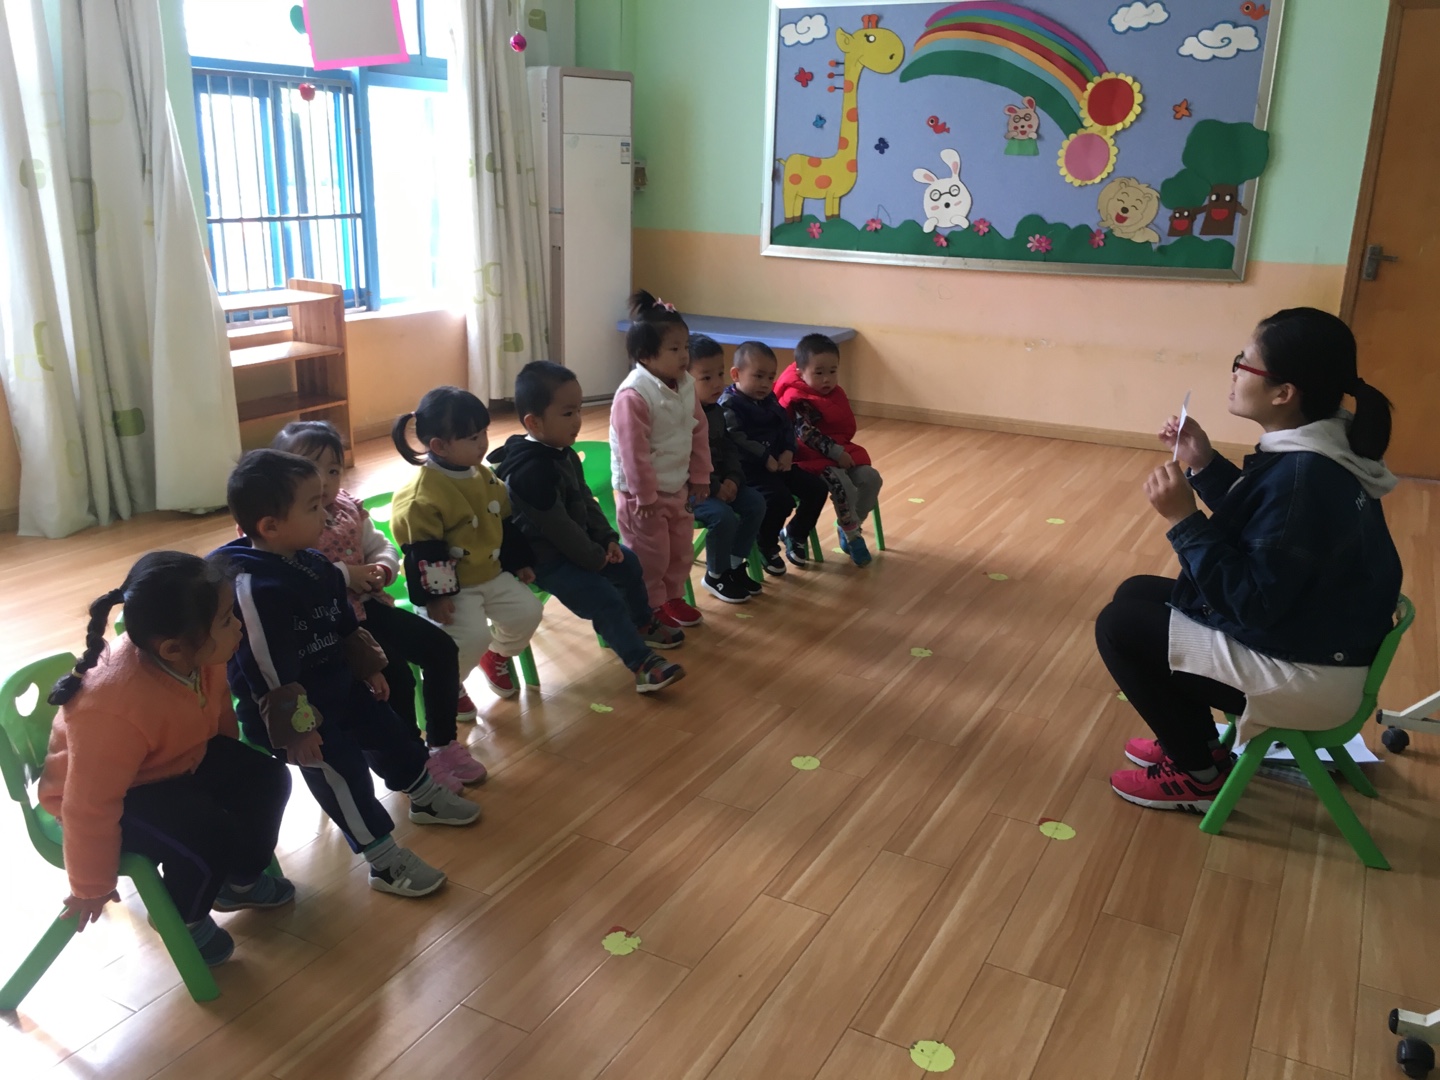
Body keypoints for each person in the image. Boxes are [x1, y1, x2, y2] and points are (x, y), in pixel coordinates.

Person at [1095, 307, 1403, 812]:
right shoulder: (1323, 448)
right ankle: (1196, 745)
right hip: (1321, 640)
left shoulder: (1303, 477)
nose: (1235, 372)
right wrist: (1204, 463)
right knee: (1138, 593)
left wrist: (1184, 520)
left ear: (1284, 393)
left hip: (1306, 675)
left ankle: (1197, 775)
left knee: (1120, 626)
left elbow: (1253, 602)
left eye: (1244, 363)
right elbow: (1267, 524)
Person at [219, 449, 479, 898]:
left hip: (338, 682)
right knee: (344, 775)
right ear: (270, 526)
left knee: (391, 732)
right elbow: (267, 670)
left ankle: (424, 797)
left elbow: (343, 622)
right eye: (312, 507)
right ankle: (384, 861)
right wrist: (297, 729)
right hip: (295, 714)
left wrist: (368, 667)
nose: (326, 515)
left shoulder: (312, 561)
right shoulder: (254, 588)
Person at [39, 552, 295, 965]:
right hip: (113, 798)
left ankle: (241, 882)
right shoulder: (111, 709)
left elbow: (217, 708)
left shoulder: (198, 654)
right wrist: (89, 884)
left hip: (174, 760)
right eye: (226, 620)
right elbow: (88, 804)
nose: (238, 626)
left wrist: (228, 768)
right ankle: (183, 918)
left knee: (267, 778)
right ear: (173, 648)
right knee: (209, 834)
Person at [271, 421, 483, 793]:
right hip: (330, 628)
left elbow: (379, 544)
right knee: (395, 677)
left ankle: (442, 742)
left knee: (441, 648)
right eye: (311, 469)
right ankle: (415, 761)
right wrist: (344, 575)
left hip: (370, 606)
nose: (324, 481)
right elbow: (290, 575)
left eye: (334, 470)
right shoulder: (283, 523)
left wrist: (383, 566)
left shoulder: (346, 507)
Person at [489, 361, 687, 692]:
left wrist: (607, 539)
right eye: (568, 413)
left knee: (629, 563)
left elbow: (584, 500)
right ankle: (642, 664)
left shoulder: (561, 452)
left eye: (579, 410)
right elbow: (558, 529)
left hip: (578, 548)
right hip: (542, 560)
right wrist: (596, 558)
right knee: (603, 597)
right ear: (533, 422)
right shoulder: (529, 472)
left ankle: (641, 624)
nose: (578, 420)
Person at [390, 387, 544, 703]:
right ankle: (449, 682)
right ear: (439, 446)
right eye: (473, 437)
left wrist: (518, 561)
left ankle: (496, 655)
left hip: (489, 572)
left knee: (528, 612)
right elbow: (424, 553)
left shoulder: (481, 474)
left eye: (484, 432)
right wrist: (436, 598)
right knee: (471, 637)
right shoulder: (423, 496)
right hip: (450, 586)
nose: (483, 442)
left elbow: (503, 522)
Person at [609, 291, 712, 628]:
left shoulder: (685, 384)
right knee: (650, 556)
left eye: (686, 346)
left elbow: (699, 430)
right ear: (645, 355)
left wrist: (700, 475)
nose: (684, 355)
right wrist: (645, 496)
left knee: (680, 550)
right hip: (642, 498)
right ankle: (649, 606)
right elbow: (633, 453)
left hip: (677, 486)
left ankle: (672, 597)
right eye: (674, 349)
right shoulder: (634, 395)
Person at [719, 340, 828, 574]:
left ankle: (795, 533)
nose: (765, 384)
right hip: (748, 470)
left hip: (777, 464)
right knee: (780, 500)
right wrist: (764, 456)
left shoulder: (769, 400)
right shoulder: (729, 403)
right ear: (736, 374)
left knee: (817, 488)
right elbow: (736, 438)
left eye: (770, 378)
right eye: (758, 376)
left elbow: (786, 427)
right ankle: (765, 544)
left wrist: (788, 451)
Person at [774, 333, 883, 568]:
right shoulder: (798, 398)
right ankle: (852, 535)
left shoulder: (833, 393)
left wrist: (840, 452)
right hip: (809, 458)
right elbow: (805, 434)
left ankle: (850, 525)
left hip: (838, 452)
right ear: (801, 373)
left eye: (832, 371)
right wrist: (836, 453)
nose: (827, 379)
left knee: (871, 478)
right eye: (819, 373)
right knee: (843, 485)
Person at [687, 334, 766, 602]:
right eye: (706, 377)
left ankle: (733, 565)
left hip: (721, 483)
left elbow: (729, 449)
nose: (717, 383)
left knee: (756, 503)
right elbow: (686, 462)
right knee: (723, 517)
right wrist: (715, 487)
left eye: (719, 374)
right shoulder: (682, 416)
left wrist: (733, 478)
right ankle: (715, 574)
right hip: (692, 490)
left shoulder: (717, 411)